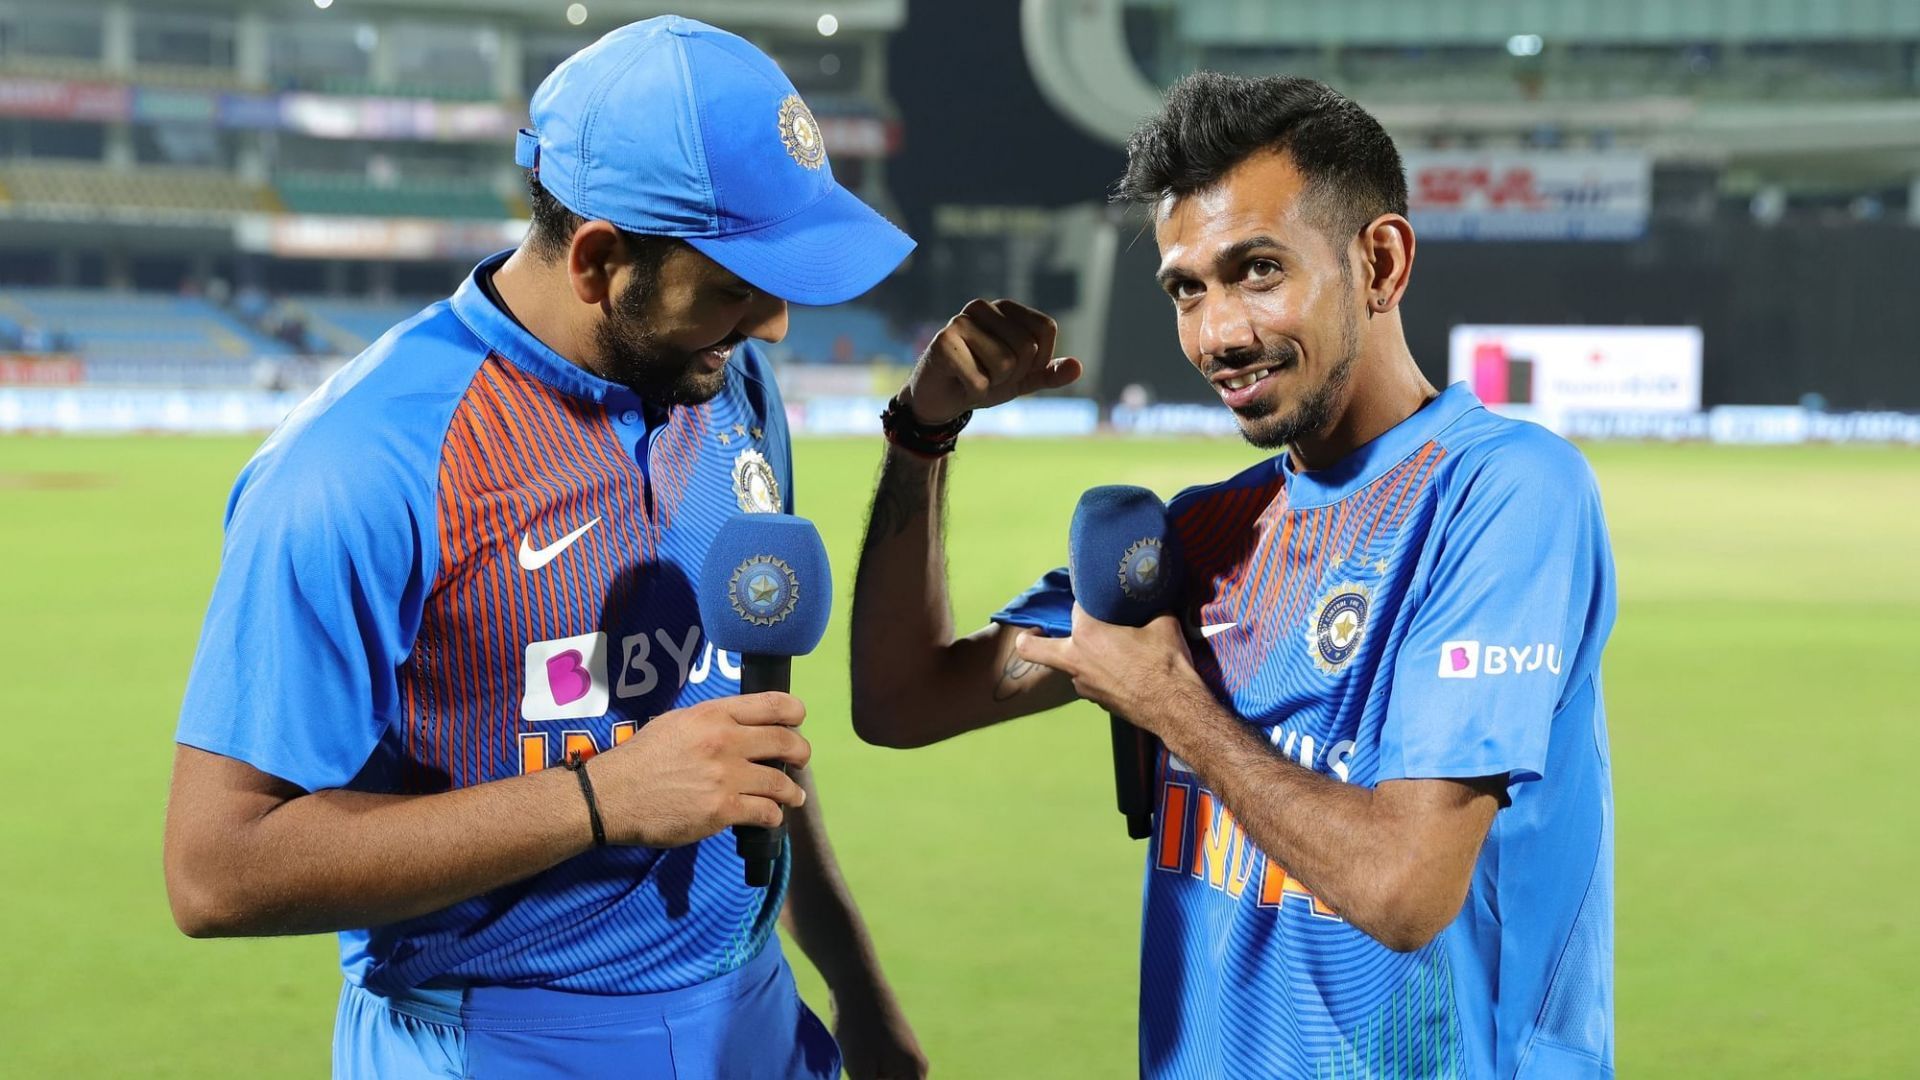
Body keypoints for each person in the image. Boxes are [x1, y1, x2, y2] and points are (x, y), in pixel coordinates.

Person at [164, 17, 927, 1079]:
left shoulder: (726, 378)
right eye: (734, 286)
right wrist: (600, 797)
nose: (776, 327)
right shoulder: (357, 468)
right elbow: (216, 871)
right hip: (499, 1043)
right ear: (600, 261)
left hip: (757, 1015)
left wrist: (853, 986)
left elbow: (747, 745)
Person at [851, 73, 1616, 1079]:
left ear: (1378, 262)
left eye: (1258, 271)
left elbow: (1403, 889)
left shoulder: (1501, 493)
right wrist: (923, 432)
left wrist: (1175, 707)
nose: (1218, 334)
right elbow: (901, 701)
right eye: (1187, 288)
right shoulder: (1200, 535)